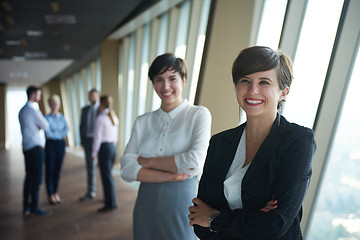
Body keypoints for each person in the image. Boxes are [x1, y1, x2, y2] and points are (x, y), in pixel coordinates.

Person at [188, 46, 317, 239]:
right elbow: (198, 220)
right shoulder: (220, 142)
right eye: (245, 81)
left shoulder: (298, 141)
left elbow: (275, 225)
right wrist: (254, 220)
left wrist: (214, 217)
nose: (252, 90)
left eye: (264, 82)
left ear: (283, 92)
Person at [120, 53, 212, 240]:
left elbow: (194, 162)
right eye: (159, 80)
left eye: (172, 79)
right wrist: (170, 175)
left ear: (183, 80)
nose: (166, 86)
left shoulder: (198, 114)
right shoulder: (143, 121)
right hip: (146, 202)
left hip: (182, 200)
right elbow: (126, 170)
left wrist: (146, 161)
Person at [19, 86, 51, 216]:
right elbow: (46, 126)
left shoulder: (22, 110)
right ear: (33, 95)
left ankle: (26, 206)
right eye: (39, 94)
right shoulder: (33, 111)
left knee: (29, 177)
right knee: (36, 178)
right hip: (36, 147)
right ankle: (34, 207)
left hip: (27, 147)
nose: (40, 97)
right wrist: (39, 126)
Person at [91, 95, 119, 212]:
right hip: (112, 147)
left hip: (104, 148)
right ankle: (111, 200)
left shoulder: (100, 119)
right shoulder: (113, 116)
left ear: (101, 104)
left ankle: (110, 203)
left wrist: (93, 154)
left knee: (106, 177)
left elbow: (97, 138)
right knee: (109, 176)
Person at [44, 94, 69, 205]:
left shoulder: (62, 117)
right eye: (52, 104)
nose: (54, 106)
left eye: (56, 104)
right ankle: (50, 194)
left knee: (58, 170)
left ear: (58, 105)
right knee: (50, 169)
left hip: (60, 145)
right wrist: (58, 133)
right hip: (50, 145)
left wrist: (55, 132)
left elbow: (66, 131)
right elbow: (48, 133)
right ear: (50, 105)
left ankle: (55, 193)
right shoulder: (46, 118)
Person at [79, 88, 100, 201]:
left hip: (99, 142)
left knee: (102, 168)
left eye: (93, 95)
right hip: (88, 141)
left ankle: (107, 194)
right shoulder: (85, 109)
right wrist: (82, 141)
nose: (91, 98)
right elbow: (81, 126)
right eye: (89, 96)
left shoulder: (102, 110)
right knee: (90, 167)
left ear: (98, 96)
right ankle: (91, 191)